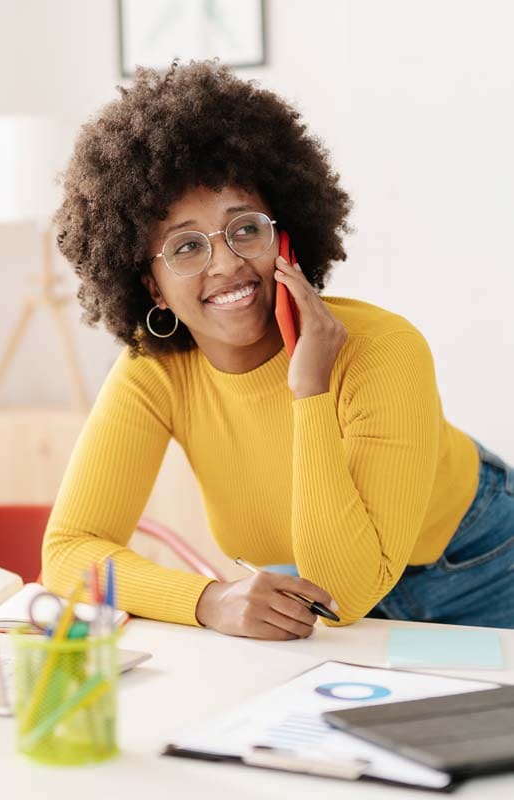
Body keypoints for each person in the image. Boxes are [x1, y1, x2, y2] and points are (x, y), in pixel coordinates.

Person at [44, 60, 514, 638]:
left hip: (483, 561)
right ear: (150, 285)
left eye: (245, 229)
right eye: (186, 247)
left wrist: (309, 388)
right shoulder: (154, 373)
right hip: (318, 581)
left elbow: (346, 594)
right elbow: (67, 553)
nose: (227, 263)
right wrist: (208, 600)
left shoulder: (383, 348)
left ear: (285, 237)